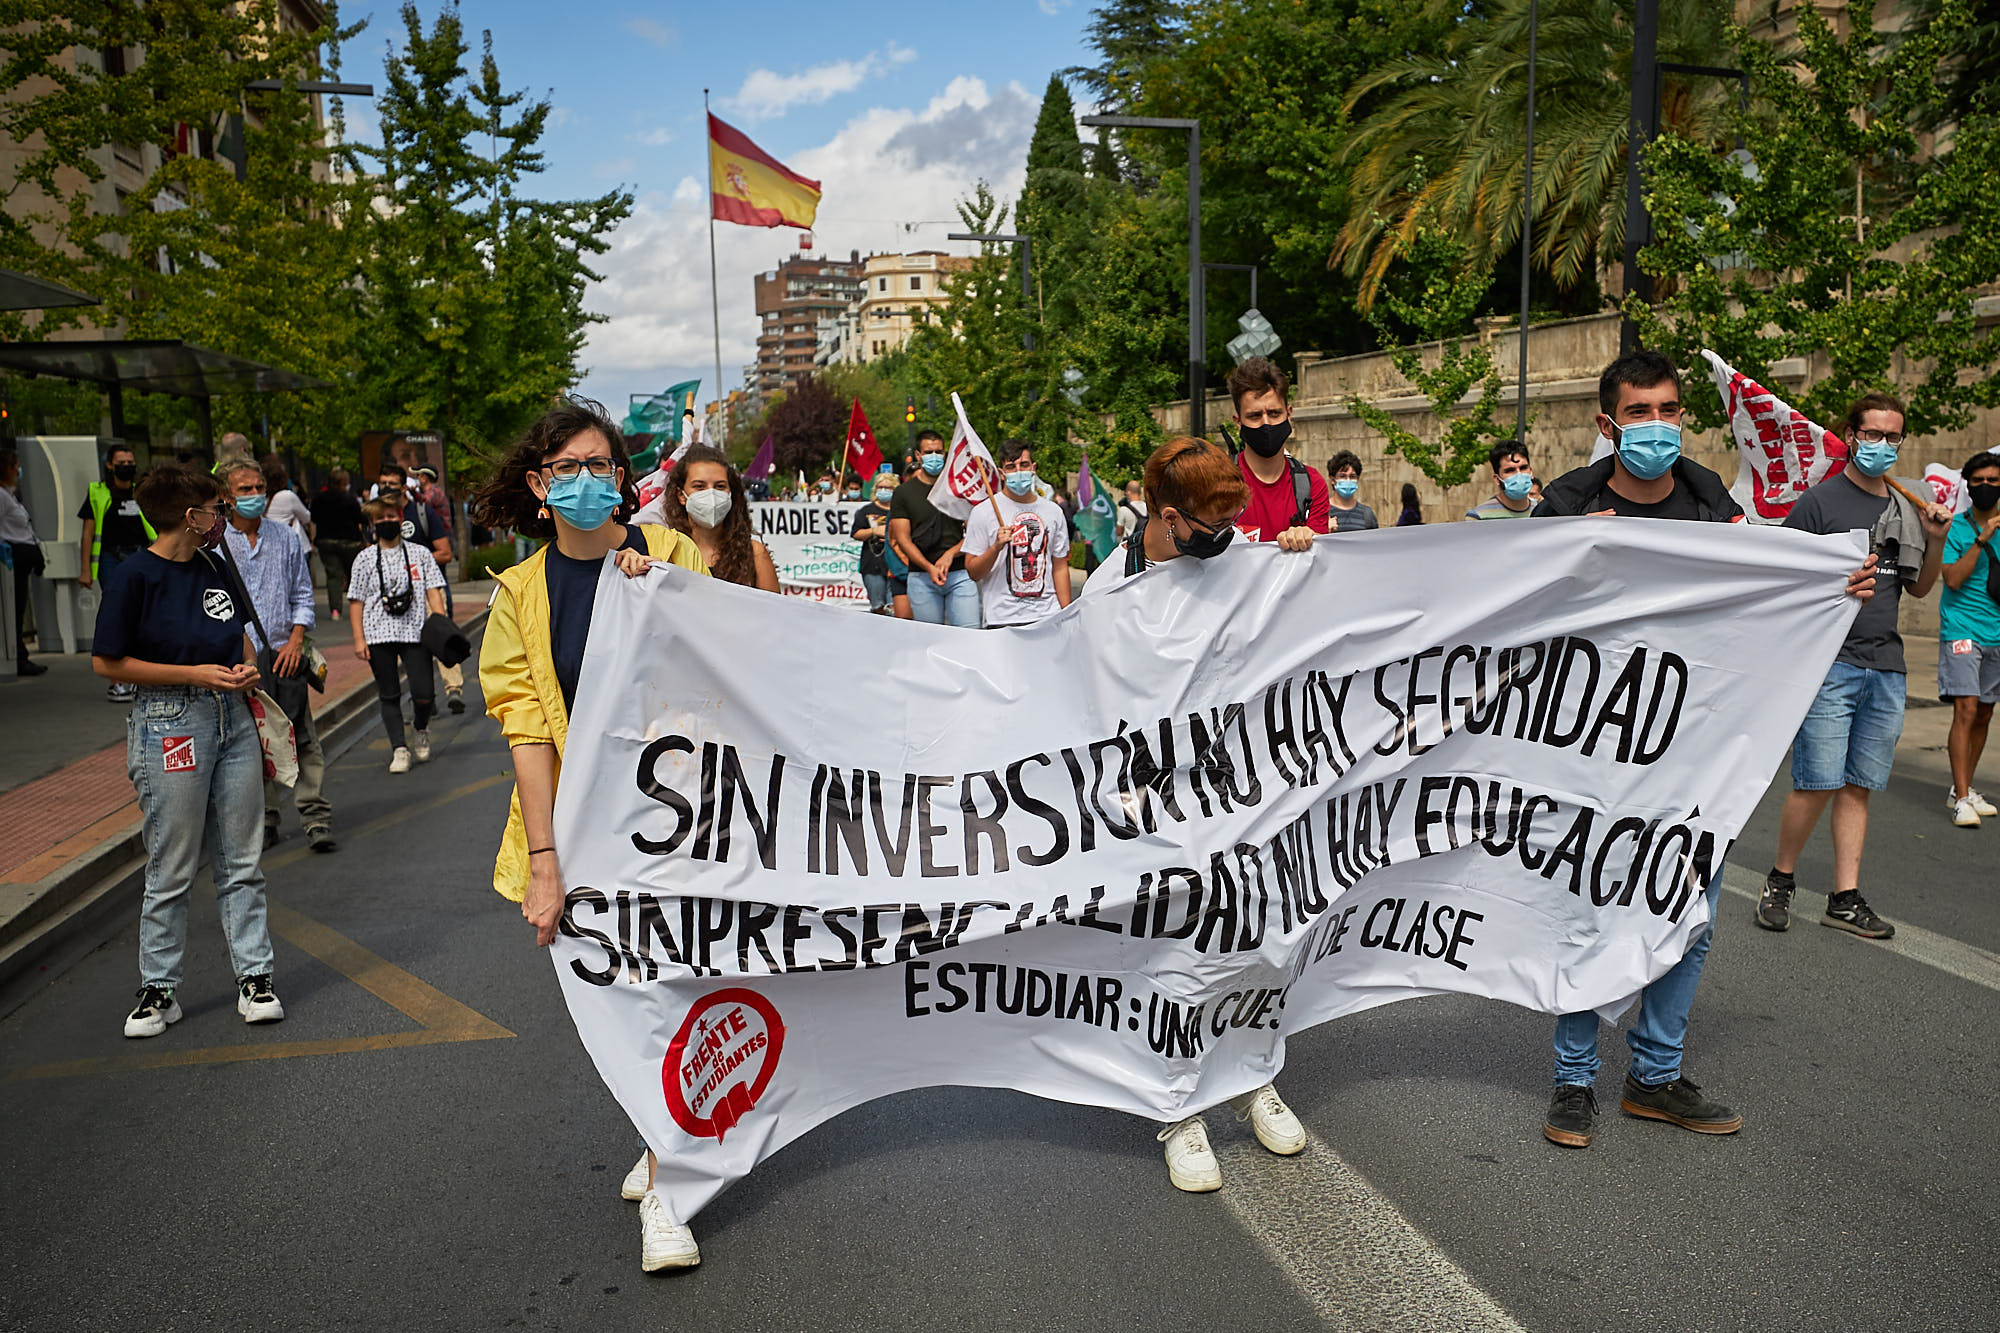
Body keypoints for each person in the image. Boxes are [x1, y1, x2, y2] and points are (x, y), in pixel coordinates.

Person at [1533, 349, 1875, 1152]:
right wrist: (1563, 556)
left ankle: (1654, 1075)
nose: (1658, 426)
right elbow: (1509, 602)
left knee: (1692, 914)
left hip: (1695, 749)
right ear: (1607, 423)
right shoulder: (1568, 505)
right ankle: (1574, 1078)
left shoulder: (1707, 499)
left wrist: (1834, 583)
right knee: (1590, 906)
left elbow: (1768, 580)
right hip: (1596, 748)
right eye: (1640, 412)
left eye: (1669, 410)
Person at [472, 398, 710, 1272]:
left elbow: (727, 669)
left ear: (622, 477)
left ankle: (668, 1184)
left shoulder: (671, 555)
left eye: (598, 466)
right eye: (564, 468)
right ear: (540, 486)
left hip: (677, 823)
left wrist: (669, 609)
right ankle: (664, 1144)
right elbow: (528, 731)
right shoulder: (519, 596)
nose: (584, 481)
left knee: (673, 989)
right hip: (584, 829)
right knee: (629, 997)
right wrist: (546, 862)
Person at [1077, 435, 1311, 1191]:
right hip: (1152, 796)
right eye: (1211, 524)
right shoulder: (1109, 594)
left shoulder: (1241, 561)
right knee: (1170, 952)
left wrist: (1303, 551)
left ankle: (1250, 1078)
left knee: (1261, 935)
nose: (1226, 536)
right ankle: (1177, 1110)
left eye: (1232, 522)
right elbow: (1087, 702)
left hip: (1241, 788)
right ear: (1169, 518)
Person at [90, 463, 284, 1038]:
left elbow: (237, 630)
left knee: (242, 858)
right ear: (187, 516)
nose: (221, 517)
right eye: (214, 508)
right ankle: (158, 989)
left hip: (232, 717)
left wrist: (245, 664)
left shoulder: (213, 564)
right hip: (169, 720)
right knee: (171, 862)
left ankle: (255, 977)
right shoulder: (133, 577)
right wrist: (192, 675)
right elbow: (107, 661)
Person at [1762, 392, 1949, 938]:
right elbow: (1785, 579)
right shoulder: (1820, 503)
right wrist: (1833, 584)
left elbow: (1920, 586)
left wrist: (1935, 539)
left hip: (1885, 666)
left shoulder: (1910, 504)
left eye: (1894, 437)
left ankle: (1844, 897)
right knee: (1816, 782)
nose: (1883, 445)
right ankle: (1780, 881)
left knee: (1858, 786)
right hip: (1830, 663)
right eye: (1873, 435)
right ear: (1851, 435)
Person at [220, 461, 334, 854]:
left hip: (285, 652)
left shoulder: (285, 537)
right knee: (253, 742)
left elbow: (303, 594)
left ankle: (315, 816)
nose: (254, 496)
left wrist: (296, 640)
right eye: (245, 490)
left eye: (259, 488)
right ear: (226, 496)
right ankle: (265, 818)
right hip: (241, 660)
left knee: (301, 736)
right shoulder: (216, 546)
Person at [347, 497, 447, 774]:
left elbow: (434, 590)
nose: (387, 522)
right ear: (372, 524)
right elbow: (356, 600)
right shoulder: (364, 559)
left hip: (415, 632)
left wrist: (441, 625)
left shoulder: (419, 554)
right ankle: (399, 749)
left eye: (391, 517)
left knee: (424, 692)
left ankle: (420, 727)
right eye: (380, 519)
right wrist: (359, 638)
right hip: (378, 633)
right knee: (389, 694)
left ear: (400, 519)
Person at [1938, 451, 2000, 826]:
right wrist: (1982, 539)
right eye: (1978, 481)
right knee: (1966, 708)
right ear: (1967, 484)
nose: (1986, 487)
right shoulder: (1956, 529)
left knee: (1986, 712)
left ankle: (1963, 785)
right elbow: (1953, 579)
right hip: (1961, 629)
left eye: (1993, 481)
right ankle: (1961, 798)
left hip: (1996, 632)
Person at [378, 462, 463, 713]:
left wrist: (413, 562)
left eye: (392, 484)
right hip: (396, 596)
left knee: (440, 634)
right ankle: (425, 697)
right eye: (383, 484)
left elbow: (445, 553)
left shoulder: (422, 512)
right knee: (412, 648)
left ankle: (454, 688)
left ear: (404, 486)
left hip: (428, 590)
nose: (386, 489)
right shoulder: (380, 517)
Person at [962, 441, 1072, 627]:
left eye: (1024, 465)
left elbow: (1060, 566)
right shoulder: (984, 512)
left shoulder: (1053, 511)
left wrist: (1067, 613)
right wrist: (995, 548)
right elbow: (973, 572)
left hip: (1047, 616)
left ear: (1033, 468)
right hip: (1002, 618)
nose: (1018, 471)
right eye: (1011, 467)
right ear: (1002, 472)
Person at [644, 445, 780, 591]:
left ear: (731, 493)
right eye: (699, 486)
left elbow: (775, 611)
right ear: (681, 496)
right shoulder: (666, 551)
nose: (711, 494)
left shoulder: (755, 553)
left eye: (720, 486)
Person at [78, 444, 154, 701]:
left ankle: (141, 676)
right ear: (110, 465)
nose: (127, 466)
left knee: (145, 615)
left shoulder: (141, 491)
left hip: (141, 555)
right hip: (111, 559)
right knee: (118, 616)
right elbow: (88, 533)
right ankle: (117, 680)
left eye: (131, 461)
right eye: (121, 461)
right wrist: (85, 569)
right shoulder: (97, 492)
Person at [1227, 356, 1329, 544]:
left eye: (1274, 413)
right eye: (1255, 416)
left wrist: (1310, 538)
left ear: (1289, 414)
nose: (1266, 423)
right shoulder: (1216, 482)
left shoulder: (1312, 485)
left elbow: (1319, 562)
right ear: (1238, 422)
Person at [890, 429, 980, 627]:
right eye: (929, 452)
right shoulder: (903, 493)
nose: (934, 457)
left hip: (960, 573)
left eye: (938, 452)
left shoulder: (959, 488)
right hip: (922, 577)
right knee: (929, 639)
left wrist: (951, 554)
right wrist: (928, 567)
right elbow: (903, 539)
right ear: (918, 456)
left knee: (970, 632)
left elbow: (974, 531)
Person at [0, 446, 48, 677]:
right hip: (13, 563)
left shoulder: (10, 495)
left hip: (23, 560)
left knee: (18, 609)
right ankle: (17, 656)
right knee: (14, 611)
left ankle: (19, 655)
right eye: (15, 466)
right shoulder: (1, 497)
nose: (18, 471)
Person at [311, 468, 366, 620]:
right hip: (350, 541)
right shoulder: (349, 499)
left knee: (333, 576)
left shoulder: (319, 498)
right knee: (353, 574)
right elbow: (360, 517)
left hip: (326, 540)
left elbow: (314, 517)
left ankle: (336, 610)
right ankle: (359, 607)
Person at [852, 471, 896, 613]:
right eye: (880, 487)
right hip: (872, 565)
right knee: (878, 607)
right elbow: (856, 533)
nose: (883, 491)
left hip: (895, 565)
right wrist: (873, 532)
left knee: (894, 608)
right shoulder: (866, 511)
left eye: (888, 488)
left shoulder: (899, 511)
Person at [1466, 441, 1537, 520]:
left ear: (1531, 471)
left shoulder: (1544, 512)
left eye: (1523, 468)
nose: (1519, 474)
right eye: (1510, 470)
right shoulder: (1477, 517)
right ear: (1497, 479)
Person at [1325, 451, 1379, 531]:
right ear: (1332, 479)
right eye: (1342, 476)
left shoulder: (1367, 514)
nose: (1348, 480)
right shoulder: (1322, 512)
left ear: (1358, 479)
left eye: (1352, 476)